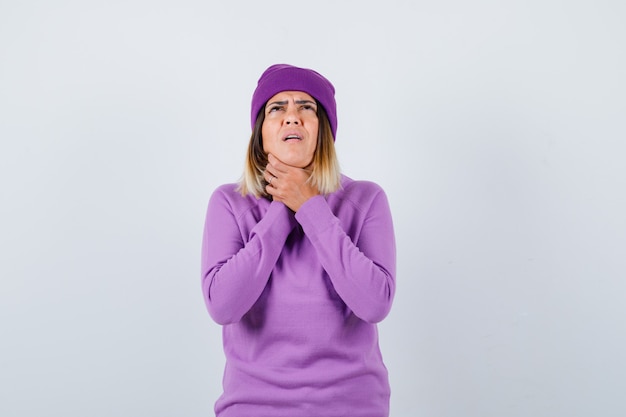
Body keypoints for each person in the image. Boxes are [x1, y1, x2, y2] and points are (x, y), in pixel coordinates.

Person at [201, 64, 396, 417]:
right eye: (278, 108)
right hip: (252, 409)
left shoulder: (366, 199)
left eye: (306, 107)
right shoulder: (229, 203)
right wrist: (283, 206)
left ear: (323, 130)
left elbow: (375, 304)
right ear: (261, 131)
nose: (292, 117)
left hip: (352, 408)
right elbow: (223, 307)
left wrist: (310, 205)